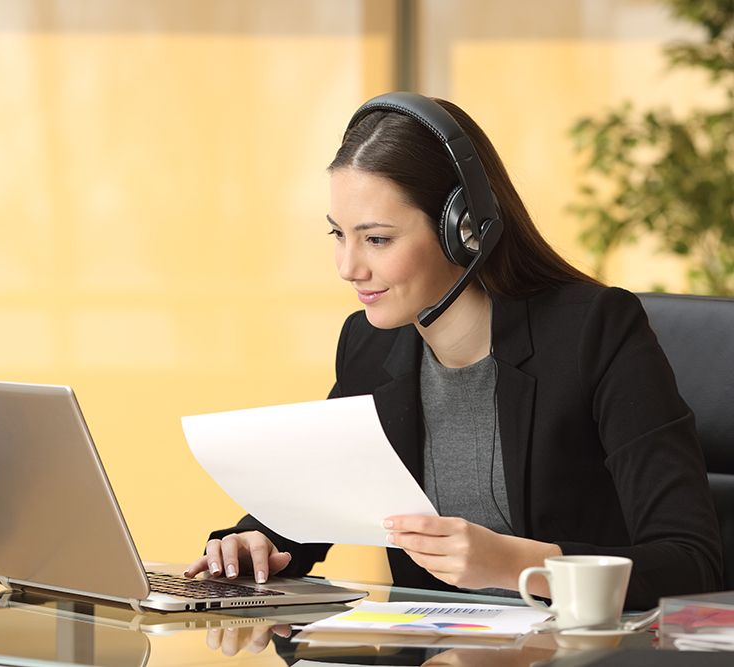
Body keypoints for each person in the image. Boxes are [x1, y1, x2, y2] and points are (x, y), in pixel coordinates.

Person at [184, 92, 723, 610]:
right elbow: (311, 507)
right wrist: (249, 543)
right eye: (338, 235)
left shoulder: (594, 332)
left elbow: (689, 563)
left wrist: (515, 564)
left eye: (377, 239)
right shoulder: (369, 346)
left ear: (462, 229)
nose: (349, 267)